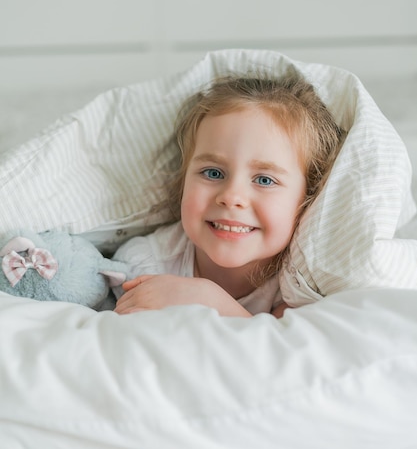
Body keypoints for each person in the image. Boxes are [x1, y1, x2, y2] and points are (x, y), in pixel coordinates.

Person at [113, 71, 344, 318]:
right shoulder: (144, 264)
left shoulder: (299, 288)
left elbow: (276, 350)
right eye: (213, 173)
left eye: (264, 180)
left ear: (308, 199)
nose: (232, 196)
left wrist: (209, 300)